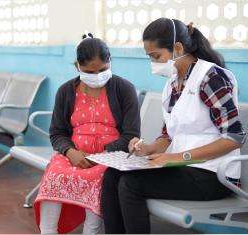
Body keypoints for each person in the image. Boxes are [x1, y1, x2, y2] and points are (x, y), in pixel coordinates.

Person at [101, 18, 247, 234]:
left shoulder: (211, 78)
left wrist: (178, 157)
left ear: (178, 48)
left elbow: (234, 137)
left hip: (213, 175)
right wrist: (148, 148)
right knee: (112, 175)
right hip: (183, 170)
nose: (153, 63)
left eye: (156, 56)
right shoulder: (173, 83)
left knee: (132, 184)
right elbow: (167, 135)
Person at [34, 34, 140, 234]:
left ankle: (91, 231)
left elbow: (131, 134)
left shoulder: (124, 89)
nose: (98, 75)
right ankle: (48, 231)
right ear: (77, 66)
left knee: (100, 182)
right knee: (54, 175)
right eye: (89, 71)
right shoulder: (66, 91)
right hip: (74, 155)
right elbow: (57, 132)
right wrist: (70, 152)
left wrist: (103, 155)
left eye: (103, 69)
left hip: (109, 158)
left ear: (110, 62)